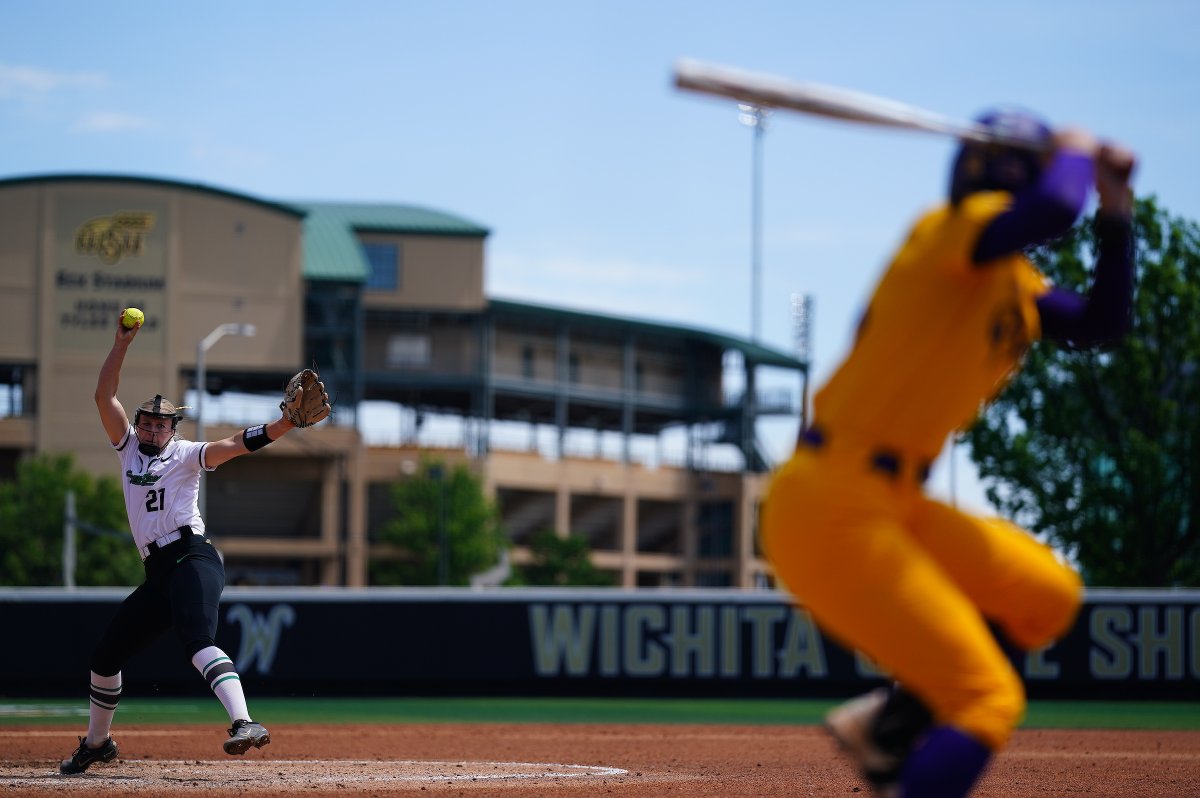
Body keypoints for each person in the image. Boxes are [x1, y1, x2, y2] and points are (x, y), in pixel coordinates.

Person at [760, 110, 1136, 798]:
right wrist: (1078, 151)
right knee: (987, 701)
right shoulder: (950, 233)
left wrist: (1115, 210)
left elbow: (1103, 322)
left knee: (1047, 596)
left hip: (893, 501)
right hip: (832, 500)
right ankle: (908, 746)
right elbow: (1054, 206)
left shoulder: (1013, 282)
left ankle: (891, 726)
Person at [60, 311, 314, 774]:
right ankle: (98, 743)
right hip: (157, 571)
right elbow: (103, 395)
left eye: (162, 424)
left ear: (173, 429)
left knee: (197, 641)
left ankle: (244, 722)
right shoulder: (128, 448)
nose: (154, 429)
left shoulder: (187, 454)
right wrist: (121, 344)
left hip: (193, 556)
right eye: (148, 423)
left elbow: (238, 444)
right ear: (137, 426)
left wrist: (284, 425)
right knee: (104, 658)